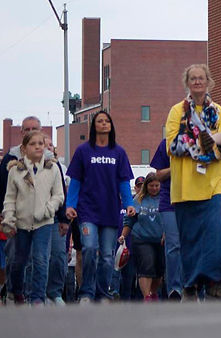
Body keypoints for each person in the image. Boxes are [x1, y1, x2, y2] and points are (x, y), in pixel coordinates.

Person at [165, 63, 221, 300]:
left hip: (213, 186)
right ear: (187, 82)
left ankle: (216, 282)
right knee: (190, 240)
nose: (197, 82)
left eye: (201, 78)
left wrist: (212, 147)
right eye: (193, 78)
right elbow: (173, 146)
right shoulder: (177, 111)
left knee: (218, 236)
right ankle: (191, 285)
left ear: (208, 82)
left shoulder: (218, 111)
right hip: (185, 188)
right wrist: (208, 144)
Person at [65, 111, 136, 303]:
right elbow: (76, 181)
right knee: (88, 248)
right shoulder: (83, 151)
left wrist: (129, 203)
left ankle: (102, 293)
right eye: (99, 121)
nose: (103, 124)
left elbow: (123, 182)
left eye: (106, 121)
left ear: (111, 126)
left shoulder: (118, 152)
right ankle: (86, 292)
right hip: (87, 210)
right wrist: (70, 205)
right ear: (93, 126)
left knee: (106, 256)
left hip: (110, 211)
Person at [2, 130, 64, 305]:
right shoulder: (15, 170)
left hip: (43, 222)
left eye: (40, 144)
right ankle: (16, 291)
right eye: (33, 144)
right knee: (18, 260)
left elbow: (59, 195)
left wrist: (48, 209)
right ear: (24, 148)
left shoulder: (52, 169)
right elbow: (10, 198)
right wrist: (9, 218)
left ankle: (37, 298)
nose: (38, 147)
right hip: (21, 224)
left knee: (41, 259)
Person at [119, 173, 165, 302]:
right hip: (142, 239)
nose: (154, 188)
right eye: (151, 186)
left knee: (159, 269)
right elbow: (129, 220)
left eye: (157, 185)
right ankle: (147, 296)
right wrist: (123, 235)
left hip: (160, 239)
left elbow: (170, 218)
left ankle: (154, 292)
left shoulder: (165, 199)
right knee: (146, 265)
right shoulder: (138, 200)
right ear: (146, 186)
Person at [149, 138, 183, 300]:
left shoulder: (200, 141)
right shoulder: (166, 143)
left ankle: (192, 286)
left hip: (194, 200)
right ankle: (175, 289)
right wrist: (177, 167)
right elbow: (159, 175)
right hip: (170, 201)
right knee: (173, 246)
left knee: (191, 246)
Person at [42, 135, 71, 306]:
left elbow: (62, 194)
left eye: (51, 145)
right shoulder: (30, 166)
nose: (49, 148)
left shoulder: (59, 167)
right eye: (45, 145)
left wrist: (64, 219)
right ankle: (39, 292)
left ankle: (55, 292)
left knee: (59, 256)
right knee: (40, 257)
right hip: (37, 219)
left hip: (55, 218)